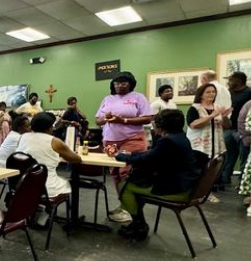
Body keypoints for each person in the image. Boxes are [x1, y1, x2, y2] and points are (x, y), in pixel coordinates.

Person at [113, 109, 204, 239]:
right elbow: (153, 154)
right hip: (188, 186)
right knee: (137, 184)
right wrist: (131, 154)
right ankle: (137, 223)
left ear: (160, 126)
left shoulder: (167, 141)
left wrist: (119, 156)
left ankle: (139, 225)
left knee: (125, 186)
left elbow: (145, 160)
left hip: (176, 191)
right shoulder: (180, 137)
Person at [95, 72, 153, 222]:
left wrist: (124, 120)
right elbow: (98, 120)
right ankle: (125, 205)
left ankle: (133, 209)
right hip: (110, 141)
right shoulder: (108, 99)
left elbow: (147, 118)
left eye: (123, 83)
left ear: (130, 84)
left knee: (127, 173)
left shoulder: (138, 97)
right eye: (117, 83)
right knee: (115, 173)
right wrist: (105, 118)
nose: (119, 86)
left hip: (132, 139)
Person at [17, 112, 83, 225]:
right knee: (67, 182)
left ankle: (39, 210)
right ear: (49, 128)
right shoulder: (54, 141)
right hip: (46, 187)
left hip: (24, 184)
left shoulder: (23, 137)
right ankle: (48, 211)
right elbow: (77, 159)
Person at [187, 83, 231, 203]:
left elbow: (227, 126)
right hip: (199, 145)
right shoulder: (195, 108)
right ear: (201, 95)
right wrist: (212, 115)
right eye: (208, 92)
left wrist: (225, 117)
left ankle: (207, 192)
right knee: (199, 169)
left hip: (216, 144)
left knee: (213, 170)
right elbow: (193, 124)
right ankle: (194, 193)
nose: (212, 94)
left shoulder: (218, 107)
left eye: (213, 91)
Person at [221, 71, 250, 186]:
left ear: (239, 80)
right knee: (228, 156)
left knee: (244, 157)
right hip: (229, 128)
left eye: (231, 79)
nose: (229, 82)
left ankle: (242, 184)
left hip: (242, 130)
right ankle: (225, 179)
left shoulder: (249, 92)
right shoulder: (229, 93)